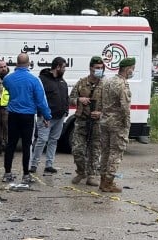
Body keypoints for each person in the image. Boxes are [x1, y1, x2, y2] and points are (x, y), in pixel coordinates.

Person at [1, 53, 51, 183]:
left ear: (16, 63)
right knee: (26, 145)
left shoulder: (8, 79)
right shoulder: (34, 80)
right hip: (28, 116)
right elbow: (40, 101)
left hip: (12, 115)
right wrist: (46, 116)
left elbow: (5, 88)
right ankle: (26, 174)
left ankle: (7, 173)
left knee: (10, 144)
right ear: (28, 64)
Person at [95, 57, 135, 193]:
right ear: (127, 69)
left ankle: (102, 180)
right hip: (117, 124)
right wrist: (127, 124)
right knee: (116, 152)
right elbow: (125, 107)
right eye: (132, 69)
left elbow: (100, 101)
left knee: (105, 152)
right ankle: (108, 182)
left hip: (105, 121)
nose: (133, 71)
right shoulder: (122, 84)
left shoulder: (108, 81)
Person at [70, 56, 105, 185]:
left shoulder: (105, 85)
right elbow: (71, 98)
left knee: (95, 150)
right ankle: (81, 171)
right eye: (97, 68)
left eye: (101, 68)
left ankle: (92, 175)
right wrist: (79, 100)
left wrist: (100, 113)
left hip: (97, 123)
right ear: (91, 68)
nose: (99, 70)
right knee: (77, 149)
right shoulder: (81, 82)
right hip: (82, 121)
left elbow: (111, 105)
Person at [31, 57, 69, 175]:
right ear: (57, 67)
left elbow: (65, 97)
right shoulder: (42, 80)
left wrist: (66, 110)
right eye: (63, 67)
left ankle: (49, 164)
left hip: (59, 117)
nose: (64, 70)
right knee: (42, 140)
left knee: (53, 140)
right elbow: (38, 98)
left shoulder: (62, 82)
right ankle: (33, 164)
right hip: (46, 118)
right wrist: (42, 114)